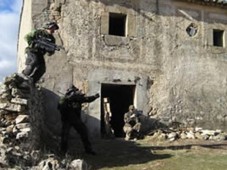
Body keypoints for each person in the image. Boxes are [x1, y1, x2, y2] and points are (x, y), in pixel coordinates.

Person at [57, 85, 99, 155]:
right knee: (65, 136)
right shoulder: (64, 99)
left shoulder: (77, 98)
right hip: (67, 120)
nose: (77, 92)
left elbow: (87, 99)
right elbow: (59, 107)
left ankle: (88, 150)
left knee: (84, 133)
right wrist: (67, 100)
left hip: (76, 120)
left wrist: (94, 97)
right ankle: (63, 151)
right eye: (75, 91)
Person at [20, 21, 59, 86]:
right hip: (32, 50)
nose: (53, 30)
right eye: (52, 28)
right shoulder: (38, 32)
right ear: (48, 27)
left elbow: (50, 52)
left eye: (54, 28)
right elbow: (27, 37)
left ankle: (32, 81)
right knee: (34, 62)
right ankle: (23, 76)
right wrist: (32, 43)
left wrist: (50, 51)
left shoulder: (52, 39)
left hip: (40, 54)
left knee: (42, 69)